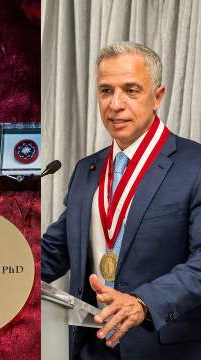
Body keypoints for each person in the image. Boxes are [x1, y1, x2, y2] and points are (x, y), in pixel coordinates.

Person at [42, 41, 201, 359]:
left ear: (157, 97)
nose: (115, 104)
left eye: (131, 90)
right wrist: (4, 268)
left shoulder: (194, 164)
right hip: (89, 345)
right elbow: (56, 250)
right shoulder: (87, 169)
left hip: (159, 347)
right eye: (105, 91)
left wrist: (143, 303)